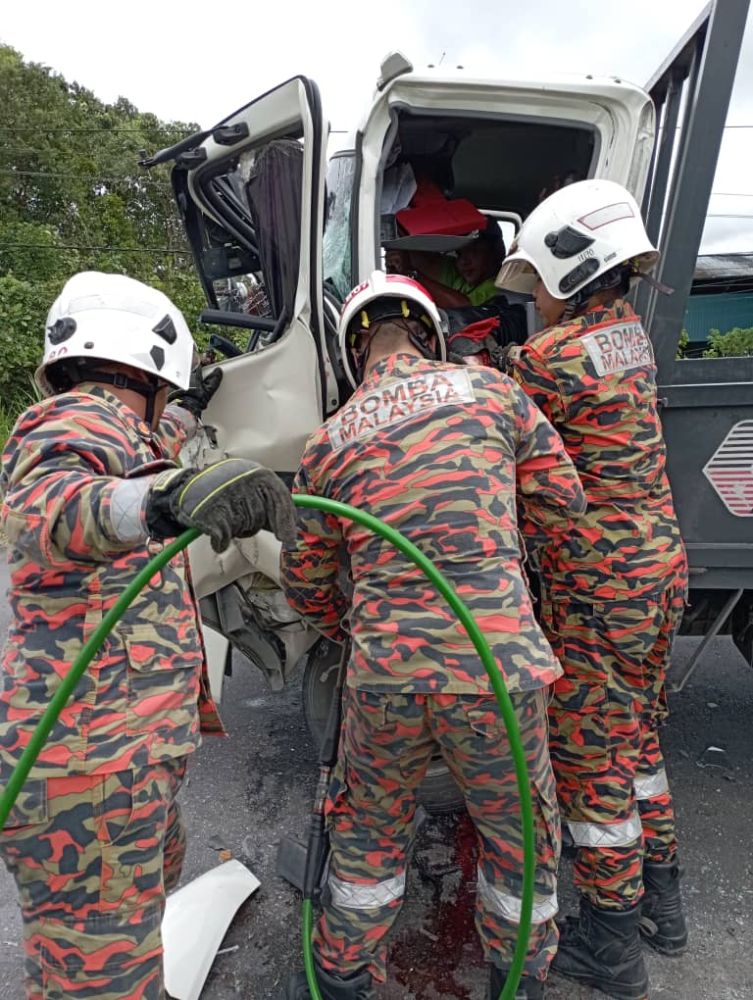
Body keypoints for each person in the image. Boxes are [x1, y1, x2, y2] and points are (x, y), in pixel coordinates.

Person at [281, 271, 587, 1000]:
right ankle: (519, 979)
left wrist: (362, 630)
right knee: (520, 839)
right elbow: (565, 505)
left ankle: (343, 977)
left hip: (384, 676)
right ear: (429, 332)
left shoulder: (326, 442)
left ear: (352, 350)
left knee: (365, 837)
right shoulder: (492, 393)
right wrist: (502, 562)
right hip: (496, 667)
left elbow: (305, 582)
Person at [0, 271, 295, 1000]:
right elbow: (47, 506)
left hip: (121, 759)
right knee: (96, 980)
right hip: (88, 773)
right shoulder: (72, 422)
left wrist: (190, 407)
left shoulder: (122, 426)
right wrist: (163, 500)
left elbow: (154, 439)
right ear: (152, 369)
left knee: (130, 924)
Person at [496, 179, 689, 1000]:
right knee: (635, 738)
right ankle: (662, 904)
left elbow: (494, 434)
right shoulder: (628, 338)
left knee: (587, 757)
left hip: (597, 580)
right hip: (657, 564)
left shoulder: (548, 359)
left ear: (572, 272)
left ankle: (611, 944)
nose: (532, 300)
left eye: (535, 281)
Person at [386, 218, 507, 309]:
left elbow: (464, 308)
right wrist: (399, 246)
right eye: (459, 253)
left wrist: (411, 273)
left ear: (495, 253)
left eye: (473, 251)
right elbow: (426, 260)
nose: (462, 261)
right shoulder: (460, 276)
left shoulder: (500, 286)